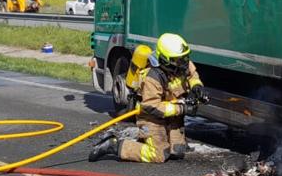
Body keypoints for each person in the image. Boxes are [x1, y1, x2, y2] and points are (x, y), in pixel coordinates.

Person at [89, 33, 207, 163]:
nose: (184, 63)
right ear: (166, 60)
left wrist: (197, 86)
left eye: (184, 58)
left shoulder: (180, 63)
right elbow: (152, 106)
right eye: (179, 60)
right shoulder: (153, 77)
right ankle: (114, 146)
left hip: (171, 116)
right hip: (151, 117)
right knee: (158, 155)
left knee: (177, 151)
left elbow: (192, 75)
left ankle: (147, 140)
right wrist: (182, 109)